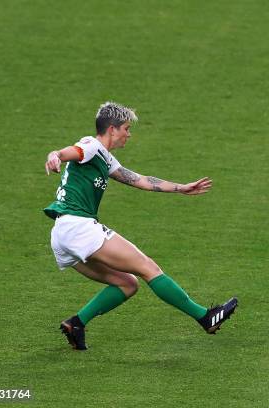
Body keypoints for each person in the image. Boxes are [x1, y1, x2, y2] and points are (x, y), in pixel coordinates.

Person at [44, 101, 238, 350]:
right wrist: (55, 155)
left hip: (62, 234)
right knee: (148, 267)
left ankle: (77, 324)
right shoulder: (91, 146)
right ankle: (205, 317)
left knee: (127, 283)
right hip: (78, 227)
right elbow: (73, 151)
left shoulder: (105, 158)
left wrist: (180, 188)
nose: (128, 134)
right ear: (112, 129)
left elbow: (140, 180)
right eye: (126, 128)